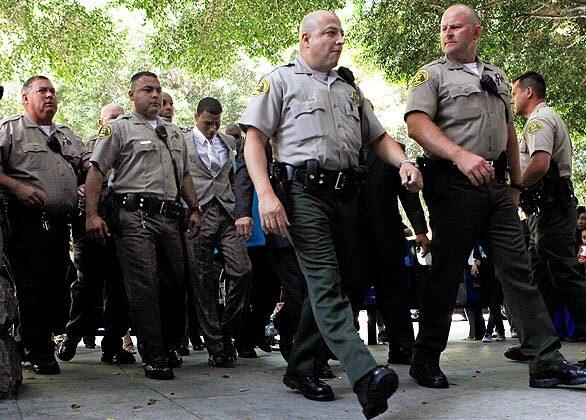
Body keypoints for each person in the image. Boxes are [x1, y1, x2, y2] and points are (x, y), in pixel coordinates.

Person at [240, 10, 422, 418]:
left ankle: (301, 367)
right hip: (302, 194)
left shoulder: (348, 90)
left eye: (341, 34)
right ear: (305, 40)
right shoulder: (280, 80)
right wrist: (266, 195)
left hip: (345, 198)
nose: (339, 40)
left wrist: (404, 163)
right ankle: (365, 374)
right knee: (324, 281)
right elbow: (254, 140)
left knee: (338, 282)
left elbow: (378, 138)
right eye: (329, 33)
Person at [405, 3, 586, 389]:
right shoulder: (432, 75)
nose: (447, 33)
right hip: (452, 183)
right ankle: (425, 359)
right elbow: (417, 124)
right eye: (443, 28)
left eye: (456, 27)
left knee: (519, 269)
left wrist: (516, 187)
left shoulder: (499, 77)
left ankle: (546, 360)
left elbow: (507, 132)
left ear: (476, 32)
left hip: (497, 186)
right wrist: (459, 155)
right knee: (445, 272)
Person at [85, 71, 202, 380]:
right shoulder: (119, 130)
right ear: (132, 95)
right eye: (147, 90)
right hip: (133, 218)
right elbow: (96, 172)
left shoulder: (174, 133)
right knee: (144, 284)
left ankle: (170, 343)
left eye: (158, 90)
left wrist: (195, 209)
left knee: (175, 281)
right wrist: (91, 214)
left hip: (170, 217)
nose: (154, 95)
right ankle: (153, 355)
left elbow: (186, 174)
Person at [0, 75, 86, 374]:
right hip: (27, 223)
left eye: (52, 91)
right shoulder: (11, 130)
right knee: (32, 288)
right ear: (25, 99)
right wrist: (17, 188)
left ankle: (32, 344)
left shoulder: (66, 134)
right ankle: (39, 352)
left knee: (54, 287)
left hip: (61, 224)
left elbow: (84, 165)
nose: (49, 96)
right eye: (42, 91)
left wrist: (84, 183)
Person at [503, 71, 586, 361]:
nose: (512, 99)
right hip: (545, 211)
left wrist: (515, 189)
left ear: (528, 92)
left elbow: (539, 164)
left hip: (551, 209)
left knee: (564, 274)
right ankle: (539, 343)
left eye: (514, 93)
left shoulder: (540, 120)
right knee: (538, 278)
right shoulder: (544, 118)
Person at [57, 103, 135, 365]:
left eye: (120, 117)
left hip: (122, 224)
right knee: (86, 283)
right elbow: (68, 175)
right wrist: (79, 187)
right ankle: (71, 336)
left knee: (119, 288)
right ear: (101, 122)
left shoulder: (130, 145)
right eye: (112, 117)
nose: (117, 121)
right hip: (89, 222)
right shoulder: (85, 146)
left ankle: (112, 345)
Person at [344, 147, 430, 365]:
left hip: (388, 239)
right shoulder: (339, 148)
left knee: (395, 296)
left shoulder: (392, 153)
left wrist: (420, 230)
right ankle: (333, 351)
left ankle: (402, 347)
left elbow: (408, 195)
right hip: (352, 240)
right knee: (347, 298)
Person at [184, 97, 252, 367]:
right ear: (196, 117)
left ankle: (226, 328)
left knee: (243, 270)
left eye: (216, 124)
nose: (212, 129)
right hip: (197, 214)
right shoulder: (182, 141)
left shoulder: (229, 142)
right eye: (207, 123)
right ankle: (216, 345)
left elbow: (237, 175)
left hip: (227, 213)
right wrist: (189, 209)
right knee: (202, 282)